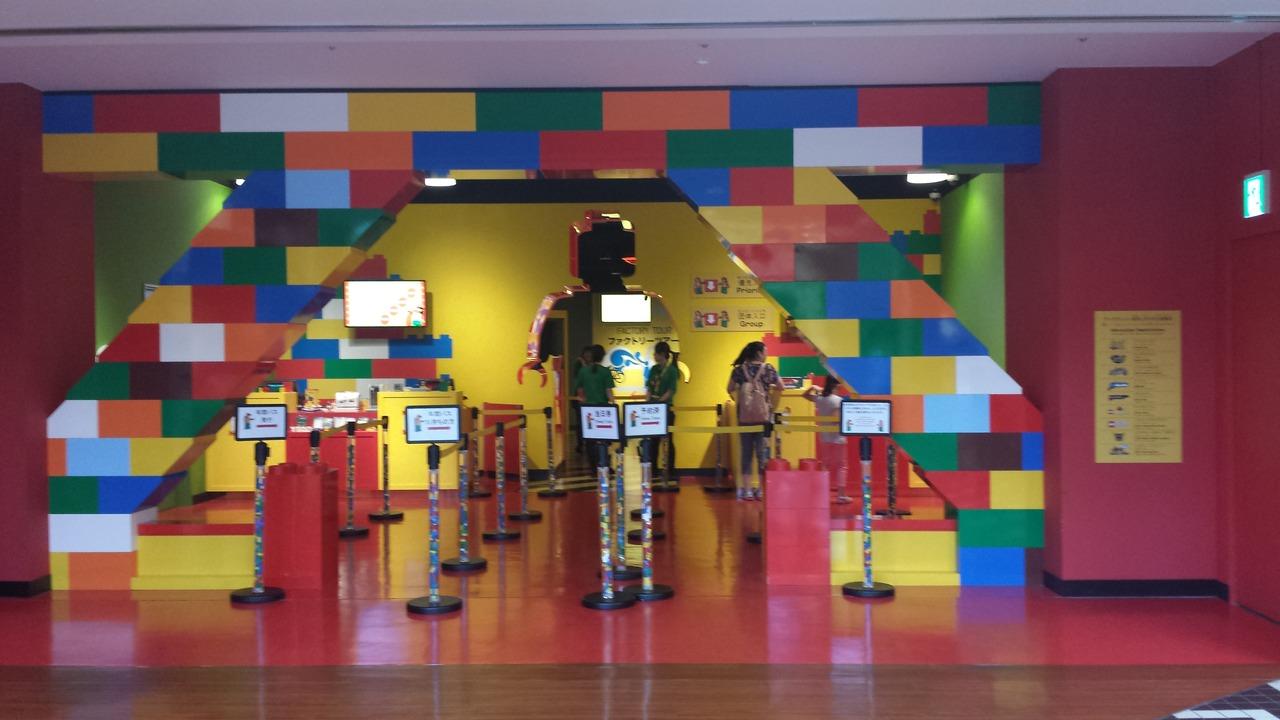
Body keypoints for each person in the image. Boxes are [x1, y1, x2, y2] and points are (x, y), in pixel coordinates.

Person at [726, 341, 783, 500]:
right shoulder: (768, 369)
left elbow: (729, 389)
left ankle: (747, 490)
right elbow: (781, 386)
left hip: (744, 418)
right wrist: (770, 403)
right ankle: (761, 490)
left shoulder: (739, 370)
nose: (766, 354)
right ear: (759, 353)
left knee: (746, 454)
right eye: (765, 351)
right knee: (762, 454)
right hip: (763, 419)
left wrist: (741, 401)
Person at [804, 375, 850, 503]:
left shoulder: (820, 399)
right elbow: (836, 420)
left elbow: (805, 395)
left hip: (824, 437)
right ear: (836, 385)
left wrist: (813, 387)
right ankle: (841, 495)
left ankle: (823, 494)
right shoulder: (838, 400)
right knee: (841, 466)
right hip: (838, 438)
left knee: (825, 465)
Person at [576, 345, 615, 469]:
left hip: (588, 409)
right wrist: (613, 404)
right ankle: (604, 463)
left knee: (590, 439)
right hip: (603, 408)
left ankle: (593, 466)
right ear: (602, 357)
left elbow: (580, 389)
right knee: (604, 438)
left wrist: (584, 400)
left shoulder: (583, 371)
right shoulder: (605, 371)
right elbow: (609, 392)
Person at [644, 341, 680, 468]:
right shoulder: (654, 369)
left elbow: (671, 391)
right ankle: (653, 468)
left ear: (662, 354)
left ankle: (670, 469)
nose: (654, 356)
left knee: (668, 440)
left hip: (665, 408)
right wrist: (648, 403)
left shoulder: (672, 371)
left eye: (656, 353)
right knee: (653, 440)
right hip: (653, 408)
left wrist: (659, 403)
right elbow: (649, 387)